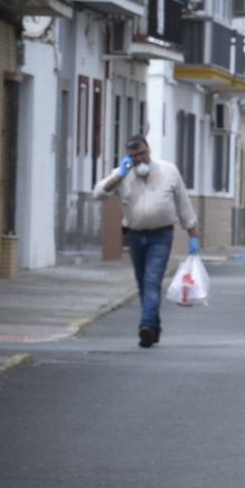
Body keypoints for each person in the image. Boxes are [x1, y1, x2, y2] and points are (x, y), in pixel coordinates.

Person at [95, 134, 202, 350]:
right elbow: (98, 193)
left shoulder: (168, 171)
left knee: (152, 280)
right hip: (135, 235)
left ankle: (146, 325)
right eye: (134, 156)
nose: (140, 159)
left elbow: (183, 203)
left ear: (149, 150)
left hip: (161, 235)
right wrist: (120, 175)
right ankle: (154, 328)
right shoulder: (123, 174)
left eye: (142, 153)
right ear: (129, 157)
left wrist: (193, 234)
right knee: (143, 283)